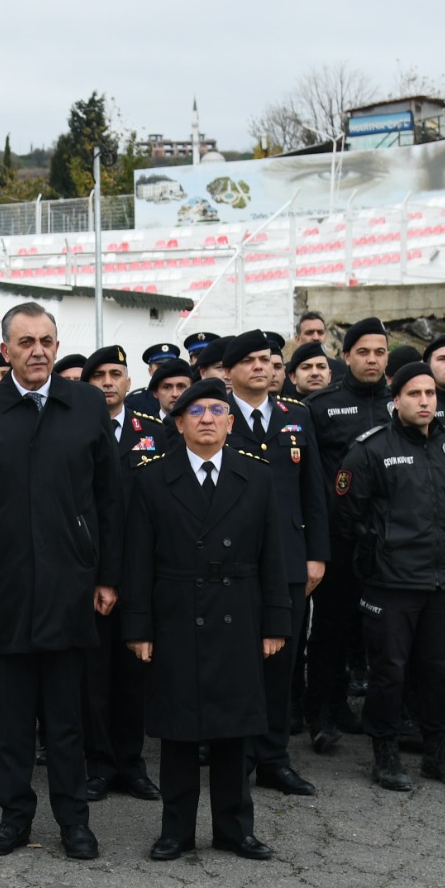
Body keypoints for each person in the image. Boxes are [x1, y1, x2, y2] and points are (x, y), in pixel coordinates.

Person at [0, 301, 121, 861]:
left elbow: (109, 499)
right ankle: (15, 819)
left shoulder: (86, 403)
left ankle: (75, 821)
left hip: (71, 585)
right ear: (6, 351)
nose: (39, 351)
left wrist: (108, 575)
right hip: (4, 588)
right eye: (26, 342)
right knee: (16, 719)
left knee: (67, 719)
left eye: (47, 340)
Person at [121, 377, 291, 855]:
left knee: (234, 729)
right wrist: (138, 626)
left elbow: (272, 556)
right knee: (178, 731)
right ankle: (175, 830)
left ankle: (235, 828)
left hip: (239, 609)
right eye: (196, 412)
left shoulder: (256, 476)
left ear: (231, 422)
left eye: (218, 411)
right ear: (179, 422)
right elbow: (137, 559)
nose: (208, 419)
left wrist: (276, 622)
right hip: (176, 614)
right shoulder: (153, 478)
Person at [334, 359, 445, 791]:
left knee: (439, 670)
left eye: (430, 394)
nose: (424, 401)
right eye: (414, 393)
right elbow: (346, 513)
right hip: (392, 582)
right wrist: (379, 547)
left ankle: (437, 752)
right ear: (395, 400)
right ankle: (386, 752)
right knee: (389, 672)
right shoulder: (371, 448)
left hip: (443, 581)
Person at [215, 329, 325, 798]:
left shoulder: (296, 416)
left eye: (268, 359)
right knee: (237, 664)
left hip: (289, 562)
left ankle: (275, 758)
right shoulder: (213, 416)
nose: (262, 366)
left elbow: (313, 492)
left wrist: (316, 556)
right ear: (230, 371)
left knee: (282, 665)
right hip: (234, 562)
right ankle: (235, 757)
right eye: (251, 360)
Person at [302, 318, 394, 748]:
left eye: (379, 352)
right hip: (339, 539)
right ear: (346, 357)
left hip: (392, 541)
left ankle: (387, 715)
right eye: (363, 352)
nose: (371, 359)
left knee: (382, 632)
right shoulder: (321, 407)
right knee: (331, 630)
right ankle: (324, 710)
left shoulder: (402, 401)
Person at [84, 342, 164, 799]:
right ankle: (98, 764)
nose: (109, 383)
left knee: (135, 671)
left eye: (116, 374)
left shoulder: (154, 430)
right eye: (100, 377)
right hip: (90, 569)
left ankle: (131, 765)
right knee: (93, 675)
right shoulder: (76, 429)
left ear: (129, 383)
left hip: (141, 568)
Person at [124, 344, 182, 422]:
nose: (166, 371)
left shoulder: (187, 396)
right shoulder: (135, 401)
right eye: (160, 367)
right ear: (150, 371)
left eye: (171, 366)